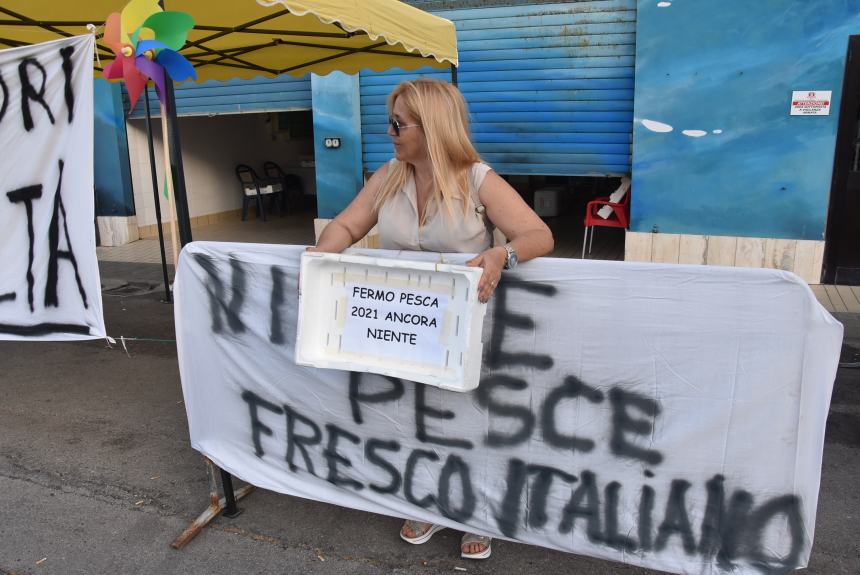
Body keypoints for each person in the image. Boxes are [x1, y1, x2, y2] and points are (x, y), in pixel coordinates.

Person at [309, 78, 554, 559]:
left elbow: (537, 234)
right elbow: (346, 225)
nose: (390, 132)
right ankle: (425, 497)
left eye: (398, 123)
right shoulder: (388, 177)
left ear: (433, 127)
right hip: (401, 329)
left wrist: (503, 254)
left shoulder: (479, 180)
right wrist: (317, 260)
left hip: (466, 331)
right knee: (410, 417)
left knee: (470, 419)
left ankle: (477, 511)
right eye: (391, 122)